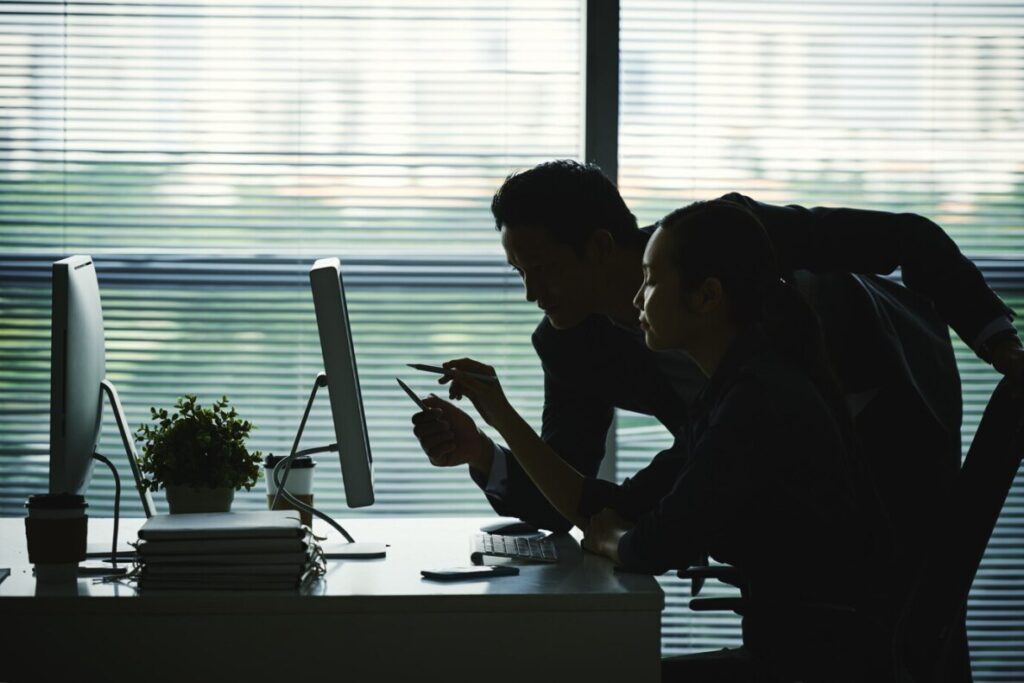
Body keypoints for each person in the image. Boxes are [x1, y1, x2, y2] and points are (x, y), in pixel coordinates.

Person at [411, 160, 1019, 680]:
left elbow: (907, 239)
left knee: (921, 630)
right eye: (518, 274)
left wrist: (1004, 350)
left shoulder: (717, 245)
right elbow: (577, 499)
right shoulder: (585, 348)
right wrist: (483, 451)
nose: (530, 293)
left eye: (539, 269)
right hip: (763, 505)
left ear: (599, 248)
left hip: (889, 422)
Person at [442, 200, 887, 682]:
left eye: (651, 280)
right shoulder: (729, 393)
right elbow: (613, 502)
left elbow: (654, 543)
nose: (637, 299)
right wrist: (498, 422)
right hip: (790, 653)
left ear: (707, 297)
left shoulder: (756, 401)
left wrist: (613, 537)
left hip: (810, 664)